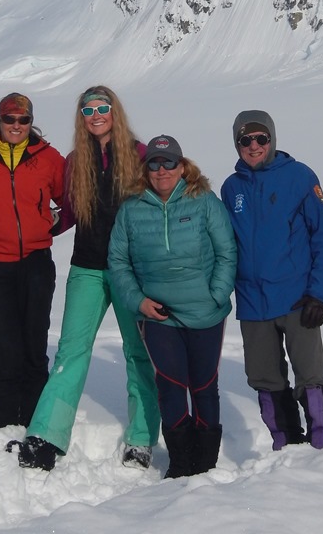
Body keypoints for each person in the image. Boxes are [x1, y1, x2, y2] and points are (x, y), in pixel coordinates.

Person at [8, 85, 160, 472]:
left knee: (138, 354)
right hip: (88, 268)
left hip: (130, 271)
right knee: (70, 353)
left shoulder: (139, 154)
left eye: (102, 107)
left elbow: (156, 207)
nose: (95, 115)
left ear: (114, 110)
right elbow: (70, 212)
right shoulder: (76, 160)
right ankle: (45, 436)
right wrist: (33, 227)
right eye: (88, 109)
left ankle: (142, 440)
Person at [108, 135, 237, 479]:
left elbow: (227, 251)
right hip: (158, 315)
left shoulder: (204, 201)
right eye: (154, 163)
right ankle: (181, 463)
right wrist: (138, 301)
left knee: (204, 384)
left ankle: (206, 463)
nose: (161, 170)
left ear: (182, 166)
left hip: (204, 312)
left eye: (169, 162)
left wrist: (216, 295)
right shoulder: (132, 208)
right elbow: (118, 262)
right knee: (169, 385)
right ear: (146, 168)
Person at [220, 110, 323, 452]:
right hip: (253, 302)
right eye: (246, 140)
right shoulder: (232, 188)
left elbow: (322, 237)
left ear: (272, 139)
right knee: (264, 379)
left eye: (261, 138)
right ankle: (286, 446)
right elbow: (225, 245)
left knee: (310, 378)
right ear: (237, 144)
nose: (254, 146)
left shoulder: (300, 177)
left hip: (297, 298)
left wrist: (319, 293)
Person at [0, 93, 65, 430]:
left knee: (34, 346)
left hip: (36, 262)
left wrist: (52, 223)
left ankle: (35, 421)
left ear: (31, 122)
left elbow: (70, 201)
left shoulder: (49, 159)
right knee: (3, 347)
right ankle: (2, 422)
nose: (16, 126)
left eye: (23, 120)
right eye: (9, 119)